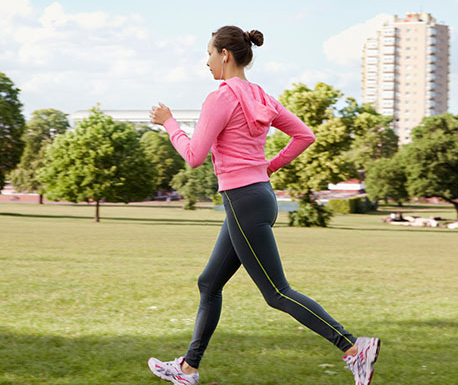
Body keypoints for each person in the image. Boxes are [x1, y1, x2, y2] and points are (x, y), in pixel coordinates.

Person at [147, 25, 380, 385]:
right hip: (259, 197)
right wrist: (267, 167)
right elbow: (305, 135)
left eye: (209, 53)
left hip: (243, 202)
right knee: (209, 283)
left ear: (225, 54)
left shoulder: (220, 97)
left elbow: (194, 156)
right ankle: (187, 370)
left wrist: (170, 123)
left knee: (276, 292)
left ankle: (353, 347)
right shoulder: (261, 96)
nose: (206, 61)